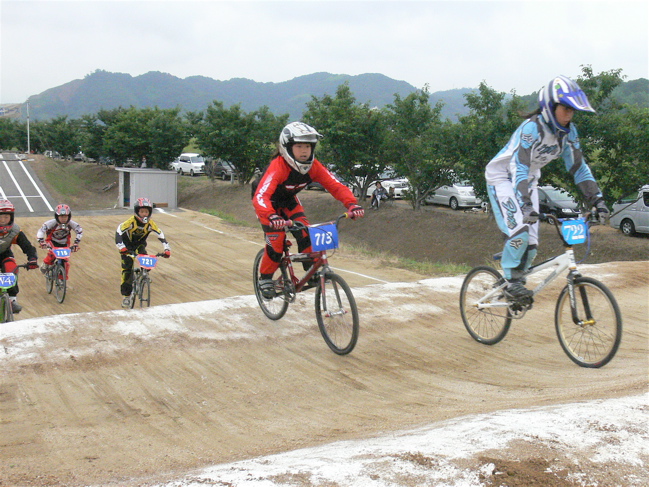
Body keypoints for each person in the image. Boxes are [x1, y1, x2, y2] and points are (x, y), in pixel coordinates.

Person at [485, 75, 609, 301]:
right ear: (550, 106)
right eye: (565, 108)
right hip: (503, 177)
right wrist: (524, 205)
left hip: (528, 180)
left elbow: (579, 169)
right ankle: (511, 280)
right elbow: (519, 167)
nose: (569, 114)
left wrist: (597, 200)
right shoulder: (532, 129)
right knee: (520, 231)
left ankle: (515, 281)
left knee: (532, 244)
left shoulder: (569, 133)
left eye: (573, 110)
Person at [252, 121, 364, 298]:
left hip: (289, 201)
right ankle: (265, 278)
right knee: (277, 241)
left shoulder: (314, 166)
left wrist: (352, 204)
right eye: (299, 146)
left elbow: (335, 185)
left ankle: (310, 272)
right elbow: (261, 196)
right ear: (287, 147)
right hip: (266, 203)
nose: (304, 151)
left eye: (308, 146)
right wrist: (270, 215)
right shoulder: (278, 166)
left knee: (306, 233)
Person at [115, 197, 171, 307]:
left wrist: (167, 249)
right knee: (126, 269)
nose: (144, 214)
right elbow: (118, 232)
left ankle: (143, 274)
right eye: (142, 212)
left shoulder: (151, 224)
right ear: (137, 212)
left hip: (139, 245)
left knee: (148, 262)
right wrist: (121, 247)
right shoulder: (131, 222)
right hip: (127, 247)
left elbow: (161, 235)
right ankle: (126, 297)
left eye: (146, 211)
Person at [0, 200, 39, 313]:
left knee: (12, 269)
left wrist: (32, 259)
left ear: (11, 217)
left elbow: (27, 246)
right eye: (0, 217)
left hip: (5, 255)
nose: (3, 221)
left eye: (6, 217)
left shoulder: (15, 231)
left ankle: (12, 300)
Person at [36, 204, 83, 277]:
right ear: (57, 216)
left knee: (66, 263)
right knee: (52, 255)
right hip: (52, 241)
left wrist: (76, 243)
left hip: (65, 242)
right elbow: (41, 231)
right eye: (61, 216)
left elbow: (79, 231)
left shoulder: (71, 224)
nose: (63, 219)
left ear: (69, 216)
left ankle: (61, 280)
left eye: (65, 216)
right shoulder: (51, 223)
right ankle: (46, 263)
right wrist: (41, 241)